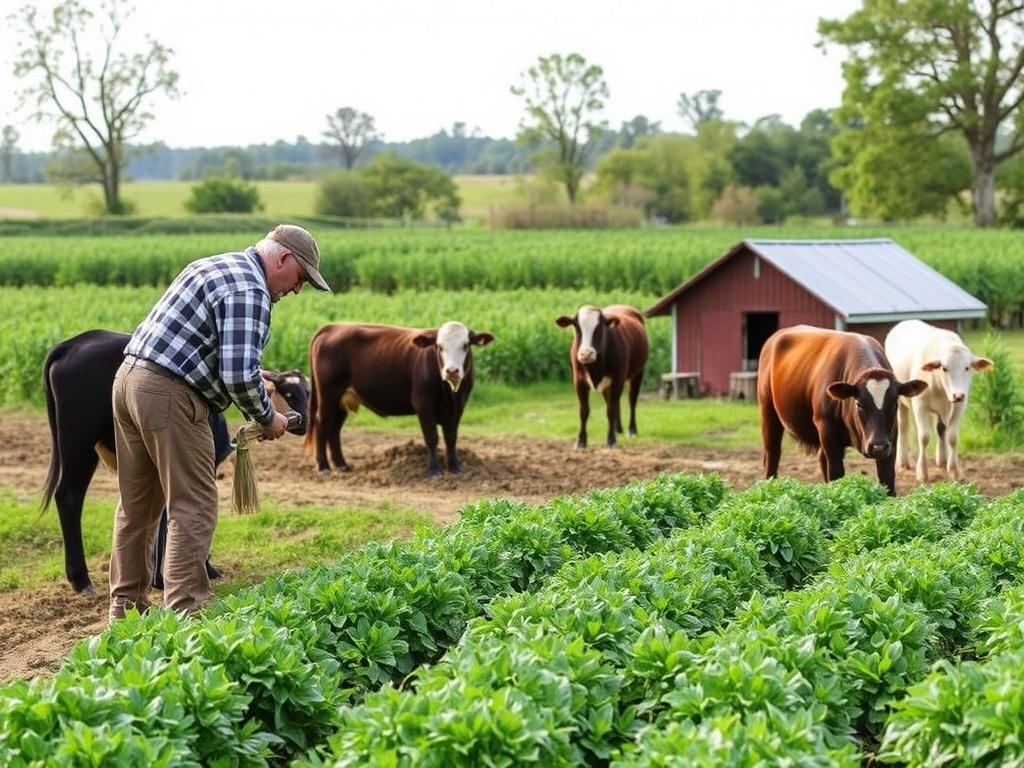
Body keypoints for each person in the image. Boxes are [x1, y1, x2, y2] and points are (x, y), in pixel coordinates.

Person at [108, 224, 331, 620]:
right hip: (170, 396)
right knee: (193, 505)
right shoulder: (252, 291)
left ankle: (124, 614)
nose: (296, 290)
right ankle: (186, 612)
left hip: (129, 381)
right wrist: (267, 417)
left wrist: (245, 383)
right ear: (282, 259)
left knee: (136, 509)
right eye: (300, 279)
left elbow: (198, 345)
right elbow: (239, 375)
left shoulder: (212, 265)